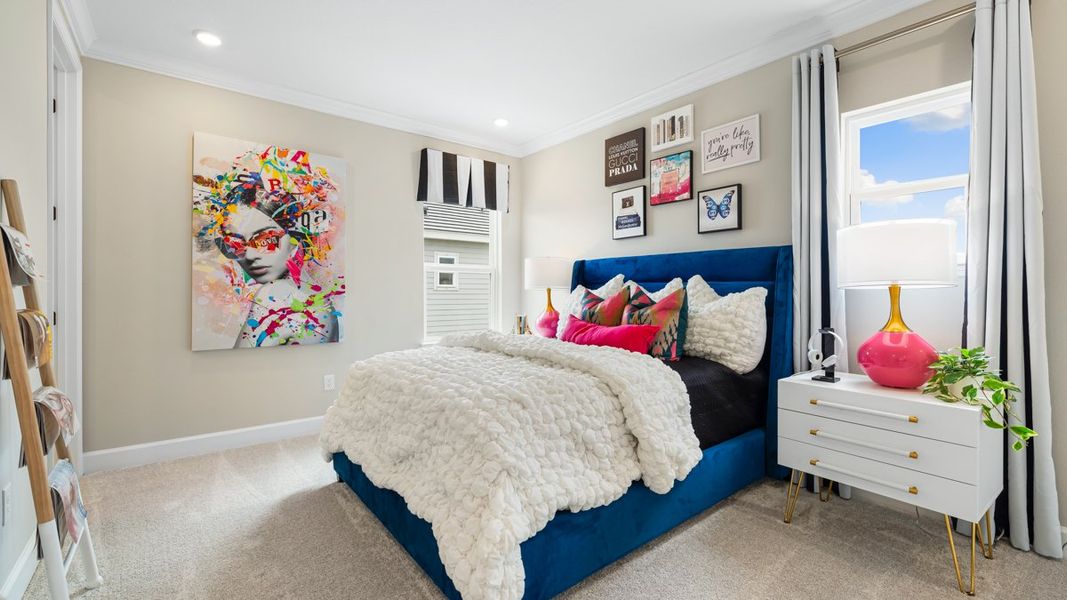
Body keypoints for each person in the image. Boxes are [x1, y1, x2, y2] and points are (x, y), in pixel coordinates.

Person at [214, 174, 340, 347]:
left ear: (295, 236)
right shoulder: (317, 300)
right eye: (234, 244)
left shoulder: (274, 294)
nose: (250, 256)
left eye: (266, 239)